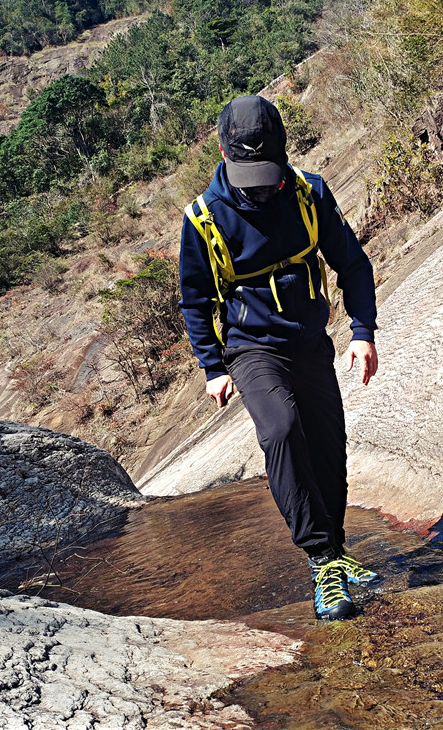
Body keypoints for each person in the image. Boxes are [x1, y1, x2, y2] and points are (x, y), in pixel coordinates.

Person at [178, 95, 380, 620]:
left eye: (268, 171)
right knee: (282, 430)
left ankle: (335, 551)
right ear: (222, 152)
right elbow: (196, 297)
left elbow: (353, 264)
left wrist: (362, 332)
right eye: (249, 172)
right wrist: (212, 367)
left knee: (328, 447)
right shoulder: (204, 218)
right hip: (250, 349)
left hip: (310, 342)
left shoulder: (309, 193)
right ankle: (320, 561)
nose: (261, 186)